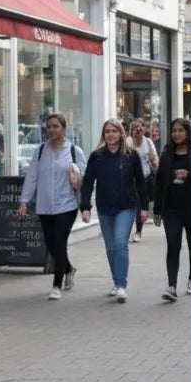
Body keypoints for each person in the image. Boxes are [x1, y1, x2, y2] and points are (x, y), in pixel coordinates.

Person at [17, 112, 86, 300]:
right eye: (49, 127)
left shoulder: (74, 151)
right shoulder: (40, 151)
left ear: (64, 129)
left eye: (56, 126)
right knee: (51, 243)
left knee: (60, 240)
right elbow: (32, 178)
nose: (52, 130)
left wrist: (78, 179)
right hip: (45, 205)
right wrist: (24, 201)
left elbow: (85, 177)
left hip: (67, 204)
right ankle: (69, 269)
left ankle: (56, 285)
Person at [79, 119, 148, 303]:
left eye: (114, 131)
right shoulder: (97, 156)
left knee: (120, 243)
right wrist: (85, 207)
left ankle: (121, 285)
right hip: (104, 207)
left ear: (121, 134)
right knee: (110, 248)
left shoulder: (131, 155)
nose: (110, 135)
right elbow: (87, 183)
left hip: (126, 206)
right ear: (103, 135)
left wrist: (144, 207)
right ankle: (116, 280)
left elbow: (140, 182)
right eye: (107, 132)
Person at [153, 117, 191, 302]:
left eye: (180, 130)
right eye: (174, 131)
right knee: (173, 244)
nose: (177, 134)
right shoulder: (167, 153)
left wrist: (190, 174)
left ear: (187, 132)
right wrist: (157, 209)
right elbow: (159, 181)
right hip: (171, 209)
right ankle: (171, 286)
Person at [128, 118, 158, 242]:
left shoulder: (148, 142)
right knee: (132, 205)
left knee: (140, 206)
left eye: (140, 128)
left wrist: (155, 164)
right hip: (130, 180)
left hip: (144, 179)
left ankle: (138, 231)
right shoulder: (127, 143)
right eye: (135, 128)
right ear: (131, 131)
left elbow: (155, 160)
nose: (138, 130)